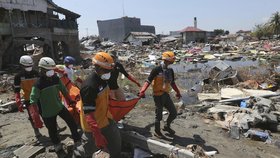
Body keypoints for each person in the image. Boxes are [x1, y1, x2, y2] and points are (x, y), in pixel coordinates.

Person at [29, 57, 81, 152]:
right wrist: (36, 116)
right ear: (42, 70)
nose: (51, 72)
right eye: (48, 70)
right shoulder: (38, 84)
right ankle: (57, 146)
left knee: (72, 123)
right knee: (52, 131)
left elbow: (64, 91)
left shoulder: (56, 79)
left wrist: (70, 101)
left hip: (59, 106)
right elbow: (33, 100)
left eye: (52, 70)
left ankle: (77, 140)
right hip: (47, 112)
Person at [79, 52, 121, 157]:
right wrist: (97, 135)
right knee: (91, 151)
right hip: (93, 126)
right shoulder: (89, 87)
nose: (109, 73)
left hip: (106, 119)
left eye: (110, 70)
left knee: (115, 144)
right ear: (97, 67)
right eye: (106, 70)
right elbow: (89, 115)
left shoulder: (104, 78)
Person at [138, 51, 182, 138]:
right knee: (159, 115)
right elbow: (148, 81)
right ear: (166, 60)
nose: (171, 63)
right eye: (171, 61)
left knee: (173, 113)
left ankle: (166, 126)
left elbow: (172, 83)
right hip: (157, 95)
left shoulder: (170, 70)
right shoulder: (157, 70)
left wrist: (178, 92)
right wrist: (142, 91)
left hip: (166, 94)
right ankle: (157, 132)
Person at [14, 55, 42, 137]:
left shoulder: (36, 73)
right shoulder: (18, 76)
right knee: (33, 116)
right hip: (28, 99)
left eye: (30, 65)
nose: (29, 67)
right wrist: (18, 99)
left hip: (39, 97)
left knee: (45, 113)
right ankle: (36, 131)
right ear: (22, 65)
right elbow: (17, 90)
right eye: (27, 66)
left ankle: (53, 127)